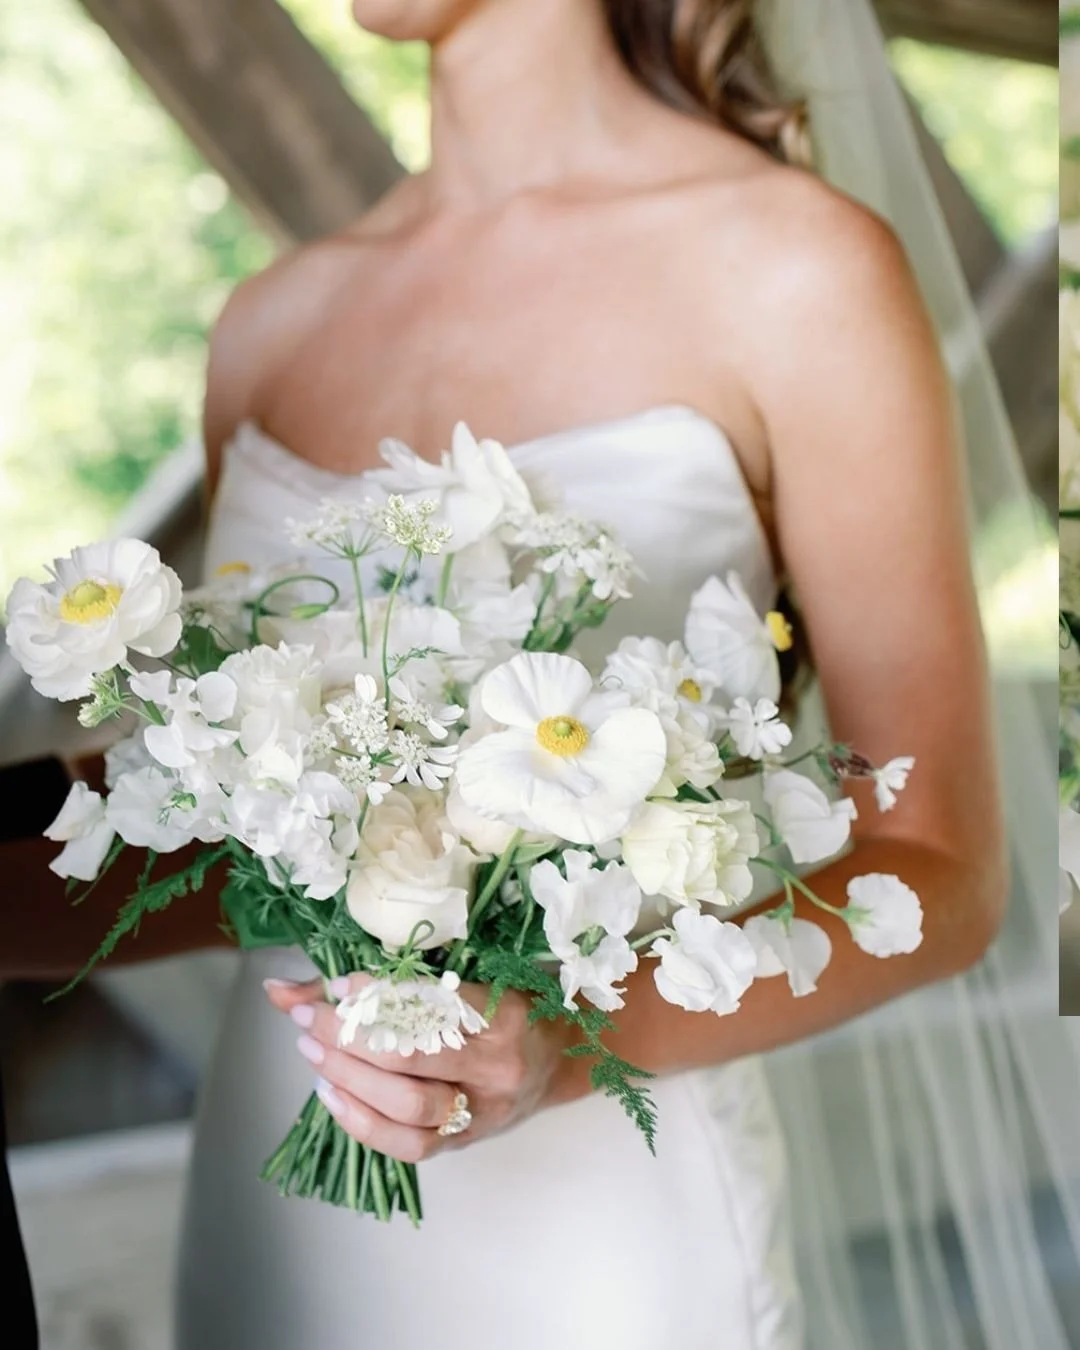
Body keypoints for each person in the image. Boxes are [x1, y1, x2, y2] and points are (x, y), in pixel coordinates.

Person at [170, 2, 1013, 1347]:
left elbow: (948, 864)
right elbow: (208, 839)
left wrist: (567, 1038)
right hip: (282, 1211)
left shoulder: (795, 268)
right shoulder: (268, 325)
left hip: (610, 1234)